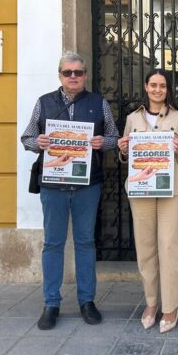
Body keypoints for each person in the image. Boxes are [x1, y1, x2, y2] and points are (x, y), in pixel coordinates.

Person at [21, 51, 119, 330]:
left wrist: (104, 142)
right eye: (68, 73)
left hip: (88, 184)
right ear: (60, 75)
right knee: (53, 243)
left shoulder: (99, 103)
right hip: (53, 186)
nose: (73, 77)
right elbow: (26, 136)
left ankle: (87, 301)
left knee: (86, 242)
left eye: (78, 72)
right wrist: (37, 142)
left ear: (85, 75)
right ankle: (51, 303)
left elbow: (114, 136)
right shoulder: (44, 103)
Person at [117, 69, 178, 333]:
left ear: (167, 89)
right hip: (141, 190)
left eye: (162, 85)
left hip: (172, 190)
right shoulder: (132, 118)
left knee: (170, 248)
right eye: (153, 85)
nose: (158, 89)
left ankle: (170, 307)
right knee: (146, 248)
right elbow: (125, 154)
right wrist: (123, 151)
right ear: (146, 87)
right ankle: (151, 303)